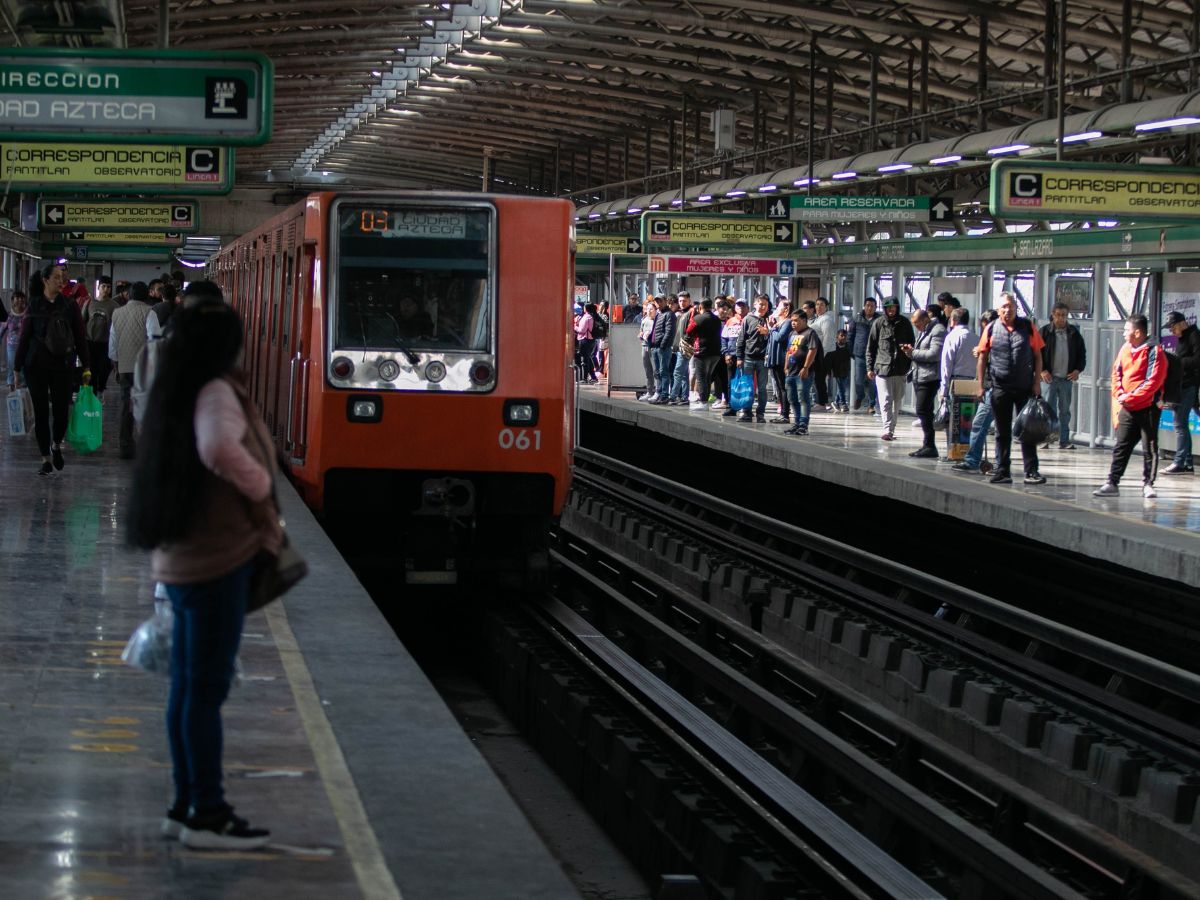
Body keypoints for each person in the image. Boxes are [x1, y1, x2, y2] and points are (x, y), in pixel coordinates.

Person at [126, 295, 278, 850]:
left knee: (187, 687)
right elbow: (218, 446)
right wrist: (261, 484)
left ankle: (183, 802)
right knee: (204, 689)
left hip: (181, 558)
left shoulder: (175, 387)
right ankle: (206, 813)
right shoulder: (215, 390)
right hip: (215, 560)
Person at [14, 264, 91, 475]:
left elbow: (80, 337)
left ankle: (56, 445)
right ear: (45, 280)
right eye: (56, 277)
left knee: (61, 413)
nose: (61, 280)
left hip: (63, 365)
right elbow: (24, 338)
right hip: (35, 366)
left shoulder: (70, 306)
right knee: (40, 413)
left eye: (63, 277)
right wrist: (16, 367)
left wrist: (86, 365)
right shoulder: (34, 305)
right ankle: (45, 459)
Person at [1094, 315, 1168, 499]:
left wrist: (1131, 397)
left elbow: (1154, 381)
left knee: (1149, 446)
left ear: (1138, 332)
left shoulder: (1155, 351)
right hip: (1128, 407)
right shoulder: (1125, 348)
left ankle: (1148, 484)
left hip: (1147, 407)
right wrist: (1120, 395)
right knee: (1122, 445)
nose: (1124, 334)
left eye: (1127, 330)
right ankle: (1112, 482)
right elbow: (1116, 373)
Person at [976, 292, 1045, 485]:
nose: (1008, 310)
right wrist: (980, 386)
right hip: (1000, 387)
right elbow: (982, 358)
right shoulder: (990, 329)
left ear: (1016, 308)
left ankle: (1031, 471)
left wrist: (1037, 382)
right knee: (1002, 431)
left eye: (1011, 306)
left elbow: (1038, 355)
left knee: (1028, 430)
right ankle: (1003, 470)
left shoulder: (1028, 327)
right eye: (1004, 307)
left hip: (1025, 387)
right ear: (998, 310)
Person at [109, 282, 154, 459]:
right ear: (146, 296)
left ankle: (125, 445)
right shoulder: (149, 312)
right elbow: (154, 340)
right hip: (144, 368)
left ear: (129, 295)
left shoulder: (117, 313)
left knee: (126, 405)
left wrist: (116, 364)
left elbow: (112, 343)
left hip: (125, 366)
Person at [952, 310, 997, 473]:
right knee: (997, 426)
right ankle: (999, 462)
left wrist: (982, 352)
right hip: (991, 386)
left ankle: (973, 460)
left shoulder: (997, 336)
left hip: (994, 388)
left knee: (979, 423)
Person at [1038, 302, 1087, 450]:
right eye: (1058, 315)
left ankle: (1064, 440)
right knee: (1047, 410)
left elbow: (1081, 355)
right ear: (1052, 315)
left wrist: (1078, 370)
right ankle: (1046, 439)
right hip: (1049, 379)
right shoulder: (1044, 332)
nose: (1061, 319)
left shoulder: (1073, 334)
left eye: (1064, 315)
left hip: (1066, 379)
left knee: (1065, 411)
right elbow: (1036, 354)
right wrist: (1042, 370)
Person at [866, 297, 914, 441]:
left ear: (897, 308)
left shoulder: (905, 323)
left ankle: (891, 428)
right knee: (885, 399)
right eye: (888, 308)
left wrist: (908, 361)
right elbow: (871, 347)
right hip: (882, 368)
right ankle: (887, 429)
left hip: (900, 369)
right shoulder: (879, 323)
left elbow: (912, 344)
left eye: (893, 307)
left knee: (896, 400)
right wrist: (870, 367)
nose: (891, 310)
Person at [904, 309, 946, 458]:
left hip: (930, 377)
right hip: (920, 375)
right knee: (924, 410)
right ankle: (927, 444)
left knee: (923, 410)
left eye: (916, 324)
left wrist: (913, 353)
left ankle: (930, 445)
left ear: (924, 320)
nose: (916, 327)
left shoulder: (937, 330)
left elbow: (935, 354)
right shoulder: (924, 331)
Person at [1163, 311, 1199, 474]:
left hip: (1189, 385)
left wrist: (1178, 362)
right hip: (1182, 385)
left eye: (1172, 328)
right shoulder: (1183, 338)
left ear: (1181, 323)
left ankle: (1180, 461)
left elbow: (1198, 360)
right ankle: (1187, 462)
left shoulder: (1194, 336)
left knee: (1179, 424)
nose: (1172, 332)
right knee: (1181, 424)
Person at [782, 309, 820, 435]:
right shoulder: (792, 334)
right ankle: (797, 423)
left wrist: (806, 367)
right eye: (792, 321)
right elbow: (789, 351)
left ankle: (803, 424)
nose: (793, 323)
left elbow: (812, 350)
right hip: (791, 372)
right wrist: (786, 366)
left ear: (804, 320)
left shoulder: (810, 333)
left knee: (803, 398)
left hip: (802, 373)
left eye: (796, 320)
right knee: (792, 398)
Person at [735, 296, 771, 422]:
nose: (762, 307)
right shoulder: (748, 319)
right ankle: (746, 412)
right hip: (748, 357)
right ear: (755, 304)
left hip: (763, 359)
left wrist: (768, 332)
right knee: (747, 387)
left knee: (762, 388)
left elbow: (776, 337)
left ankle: (760, 413)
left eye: (765, 304)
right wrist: (739, 357)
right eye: (760, 304)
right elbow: (741, 339)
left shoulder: (770, 319)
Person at [82, 277, 118, 400]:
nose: (106, 289)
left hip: (105, 343)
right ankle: (91, 394)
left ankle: (101, 389)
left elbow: (116, 326)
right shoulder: (89, 303)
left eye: (108, 287)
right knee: (91, 369)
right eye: (103, 286)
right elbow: (83, 321)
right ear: (98, 287)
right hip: (90, 342)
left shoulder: (114, 306)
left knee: (104, 368)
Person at [686, 298, 722, 409]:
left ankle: (703, 402)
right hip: (716, 352)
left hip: (701, 351)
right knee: (707, 377)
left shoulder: (698, 318)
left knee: (701, 377)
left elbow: (688, 331)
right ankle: (705, 400)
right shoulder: (717, 319)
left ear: (701, 307)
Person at [848, 299, 880, 413]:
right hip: (859, 354)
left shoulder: (879, 320)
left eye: (872, 306)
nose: (869, 308)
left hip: (874, 354)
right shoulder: (856, 319)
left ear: (876, 307)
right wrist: (851, 351)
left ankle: (871, 405)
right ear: (864, 306)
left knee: (872, 381)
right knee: (858, 380)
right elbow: (850, 336)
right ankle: (860, 396)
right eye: (867, 305)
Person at [766, 304, 794, 423]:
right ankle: (783, 412)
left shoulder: (787, 323)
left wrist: (771, 328)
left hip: (781, 358)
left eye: (780, 307)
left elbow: (780, 337)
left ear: (786, 310)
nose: (776, 309)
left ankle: (785, 414)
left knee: (783, 387)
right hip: (774, 357)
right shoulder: (778, 324)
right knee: (779, 386)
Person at [809, 297, 837, 410]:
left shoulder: (826, 320)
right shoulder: (818, 319)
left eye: (821, 305)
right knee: (818, 378)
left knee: (819, 378)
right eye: (817, 304)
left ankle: (822, 402)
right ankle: (820, 401)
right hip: (819, 353)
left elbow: (827, 339)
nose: (818, 307)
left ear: (826, 307)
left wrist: (822, 355)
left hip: (825, 353)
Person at [649, 294, 676, 403]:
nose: (658, 303)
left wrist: (662, 345)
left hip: (663, 348)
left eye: (660, 301)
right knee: (657, 372)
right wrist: (652, 343)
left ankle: (664, 394)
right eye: (657, 301)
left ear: (665, 301)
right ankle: (658, 392)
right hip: (656, 346)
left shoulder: (669, 314)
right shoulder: (659, 314)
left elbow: (669, 332)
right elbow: (655, 330)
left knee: (663, 371)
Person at [2, 292, 27, 390]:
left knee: (24, 366)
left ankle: (24, 384)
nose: (20, 300)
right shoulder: (8, 315)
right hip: (11, 345)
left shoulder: (27, 313)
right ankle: (10, 383)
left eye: (22, 298)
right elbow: (3, 329)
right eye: (17, 298)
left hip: (24, 345)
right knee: (12, 364)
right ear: (13, 300)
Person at [637, 298, 658, 400]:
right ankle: (649, 392)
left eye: (651, 309)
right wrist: (641, 335)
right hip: (644, 347)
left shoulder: (658, 320)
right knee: (648, 371)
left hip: (654, 348)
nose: (649, 311)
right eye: (648, 309)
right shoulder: (644, 320)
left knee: (656, 371)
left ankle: (658, 392)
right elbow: (640, 332)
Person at [827, 329, 851, 412]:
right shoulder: (833, 347)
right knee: (841, 387)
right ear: (837, 337)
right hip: (836, 370)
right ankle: (843, 403)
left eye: (845, 336)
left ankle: (836, 402)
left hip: (845, 370)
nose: (843, 337)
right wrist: (829, 371)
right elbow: (830, 360)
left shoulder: (848, 347)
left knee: (842, 387)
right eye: (841, 336)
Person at [574, 302, 597, 383]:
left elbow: (581, 330)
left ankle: (584, 378)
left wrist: (574, 327)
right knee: (588, 358)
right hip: (591, 340)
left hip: (584, 340)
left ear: (586, 308)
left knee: (584, 360)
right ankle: (593, 377)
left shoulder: (587, 317)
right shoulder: (593, 316)